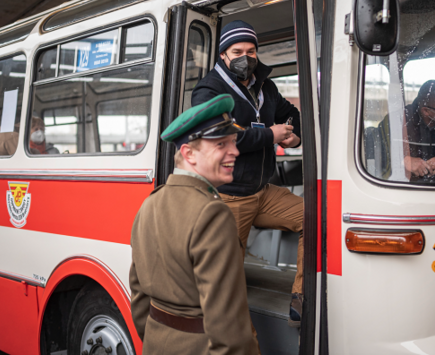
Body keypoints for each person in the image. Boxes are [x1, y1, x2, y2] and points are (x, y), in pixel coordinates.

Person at [191, 20, 305, 327]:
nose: (246, 57)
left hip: (262, 191)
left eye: (251, 50)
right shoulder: (208, 90)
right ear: (224, 55)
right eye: (237, 51)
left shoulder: (264, 86)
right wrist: (271, 134)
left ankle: (302, 296)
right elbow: (220, 138)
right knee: (226, 282)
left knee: (316, 217)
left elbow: (289, 113)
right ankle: (239, 341)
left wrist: (295, 134)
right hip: (228, 196)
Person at [129, 94, 258, 355]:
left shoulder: (149, 204)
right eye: (221, 143)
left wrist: (159, 335)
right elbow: (229, 327)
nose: (235, 151)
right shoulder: (212, 213)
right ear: (189, 153)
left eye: (233, 142)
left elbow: (139, 294)